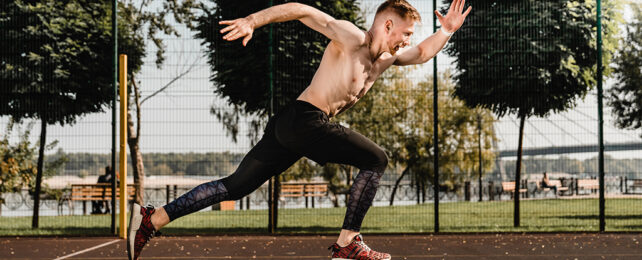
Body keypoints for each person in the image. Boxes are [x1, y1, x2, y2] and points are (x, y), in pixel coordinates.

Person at [127, 0, 471, 259]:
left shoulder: (387, 59)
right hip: (305, 119)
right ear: (388, 24)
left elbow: (424, 53)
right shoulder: (351, 38)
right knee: (376, 159)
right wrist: (252, 20)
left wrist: (447, 31)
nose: (407, 41)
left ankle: (152, 219)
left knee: (235, 187)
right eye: (405, 33)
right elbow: (303, 10)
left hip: (292, 126)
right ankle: (347, 243)